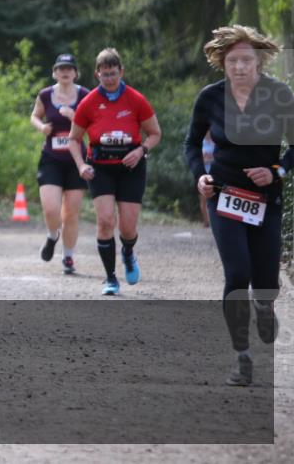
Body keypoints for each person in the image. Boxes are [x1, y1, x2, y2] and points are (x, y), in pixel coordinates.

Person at [183, 25, 292, 386]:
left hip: (266, 199)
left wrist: (276, 171)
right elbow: (191, 143)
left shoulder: (279, 96)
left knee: (264, 281)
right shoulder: (210, 98)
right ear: (222, 63)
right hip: (224, 195)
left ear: (258, 61)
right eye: (233, 61)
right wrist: (200, 176)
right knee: (237, 273)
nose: (240, 67)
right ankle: (242, 357)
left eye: (246, 60)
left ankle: (264, 304)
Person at [68, 48, 162, 296]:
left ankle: (128, 252)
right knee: (106, 221)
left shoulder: (135, 99)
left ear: (122, 71)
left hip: (131, 167)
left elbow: (155, 134)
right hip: (100, 169)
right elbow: (73, 139)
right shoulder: (88, 103)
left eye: (113, 73)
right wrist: (81, 165)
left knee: (128, 227)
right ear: (97, 74)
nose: (109, 79)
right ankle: (110, 278)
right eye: (104, 74)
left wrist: (141, 150)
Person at [30, 54, 90, 274]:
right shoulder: (46, 95)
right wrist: (41, 127)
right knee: (51, 209)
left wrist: (75, 117)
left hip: (76, 160)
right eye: (60, 69)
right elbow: (34, 116)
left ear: (75, 73)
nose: (65, 72)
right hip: (51, 159)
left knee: (71, 213)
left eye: (69, 68)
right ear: (54, 72)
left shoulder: (84, 95)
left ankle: (68, 257)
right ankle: (52, 235)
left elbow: (93, 125)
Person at [200, 131, 215, 227]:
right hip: (203, 174)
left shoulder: (216, 142)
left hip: (215, 174)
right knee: (203, 199)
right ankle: (206, 222)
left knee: (214, 199)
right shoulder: (201, 143)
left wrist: (209, 159)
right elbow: (199, 159)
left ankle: (213, 222)